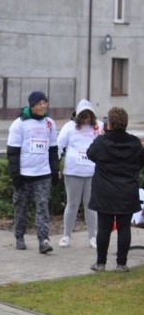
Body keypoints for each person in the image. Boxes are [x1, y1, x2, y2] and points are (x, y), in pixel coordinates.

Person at [86, 106, 144, 273]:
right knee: (124, 228)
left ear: (109, 123)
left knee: (104, 228)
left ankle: (101, 263)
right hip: (127, 191)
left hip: (105, 192)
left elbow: (90, 154)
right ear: (125, 123)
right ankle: (121, 264)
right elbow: (141, 162)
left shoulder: (101, 142)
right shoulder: (134, 143)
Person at [6, 90, 59, 253]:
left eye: (44, 102)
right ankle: (19, 236)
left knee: (43, 207)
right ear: (32, 106)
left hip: (42, 174)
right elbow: (13, 152)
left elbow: (53, 149)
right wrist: (16, 175)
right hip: (24, 175)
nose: (43, 106)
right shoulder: (19, 124)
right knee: (21, 208)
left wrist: (55, 171)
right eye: (39, 103)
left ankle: (43, 240)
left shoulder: (49, 123)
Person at [56, 99, 102, 249]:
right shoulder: (69, 127)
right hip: (73, 171)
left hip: (92, 173)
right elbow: (59, 146)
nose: (86, 119)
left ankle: (92, 237)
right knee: (72, 203)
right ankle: (66, 236)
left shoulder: (99, 126)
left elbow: (105, 144)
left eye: (89, 116)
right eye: (83, 116)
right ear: (78, 115)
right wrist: (55, 165)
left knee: (91, 205)